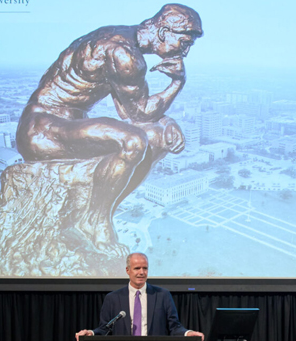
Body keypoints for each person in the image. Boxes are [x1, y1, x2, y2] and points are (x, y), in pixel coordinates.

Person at [16, 4, 203, 256]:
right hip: (41, 130)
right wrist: (177, 82)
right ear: (163, 32)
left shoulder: (121, 39)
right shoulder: (124, 53)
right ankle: (96, 220)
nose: (185, 52)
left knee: (157, 139)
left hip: (64, 126)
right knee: (133, 141)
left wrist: (165, 123)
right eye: (183, 43)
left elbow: (133, 113)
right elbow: (139, 114)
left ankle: (103, 211)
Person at [76, 253, 204, 341]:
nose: (141, 272)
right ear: (128, 270)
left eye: (145, 268)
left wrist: (188, 333)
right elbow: (105, 329)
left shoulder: (162, 295)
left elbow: (174, 327)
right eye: (137, 268)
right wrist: (91, 333)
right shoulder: (113, 298)